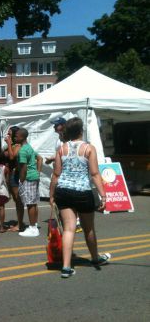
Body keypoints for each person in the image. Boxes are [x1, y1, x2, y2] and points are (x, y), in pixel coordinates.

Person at [49, 117, 111, 278]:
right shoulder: (89, 148)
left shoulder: (62, 149)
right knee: (88, 228)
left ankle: (66, 266)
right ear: (81, 131)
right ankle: (95, 258)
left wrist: (51, 195)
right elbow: (95, 173)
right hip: (82, 192)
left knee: (69, 229)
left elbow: (56, 174)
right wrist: (103, 195)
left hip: (63, 190)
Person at [15, 128, 43, 237]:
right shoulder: (29, 147)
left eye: (16, 135)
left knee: (30, 204)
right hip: (33, 176)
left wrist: (21, 180)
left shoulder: (22, 150)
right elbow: (40, 158)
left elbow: (23, 168)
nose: (15, 137)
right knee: (34, 202)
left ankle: (32, 228)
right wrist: (38, 172)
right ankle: (34, 225)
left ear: (22, 137)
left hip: (28, 178)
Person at [4, 126, 24, 232]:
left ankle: (20, 224)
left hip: (15, 174)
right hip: (10, 174)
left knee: (18, 200)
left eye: (10, 133)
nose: (8, 135)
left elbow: (12, 157)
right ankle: (18, 222)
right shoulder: (12, 145)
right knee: (16, 200)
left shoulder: (17, 145)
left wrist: (8, 143)